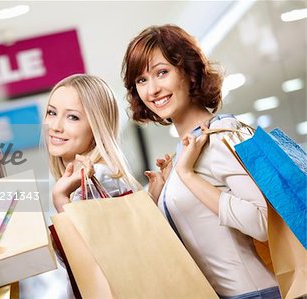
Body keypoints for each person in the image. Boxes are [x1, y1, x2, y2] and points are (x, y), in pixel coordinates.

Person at [122, 25, 280, 298]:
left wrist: (188, 177)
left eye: (162, 72)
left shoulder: (221, 136)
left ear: (189, 72)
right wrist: (158, 194)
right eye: (141, 80)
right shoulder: (182, 152)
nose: (153, 89)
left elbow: (263, 222)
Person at [43, 74, 141, 213]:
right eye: (52, 113)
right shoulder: (89, 177)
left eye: (73, 117)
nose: (55, 127)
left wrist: (60, 199)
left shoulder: (96, 178)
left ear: (97, 127)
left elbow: (85, 235)